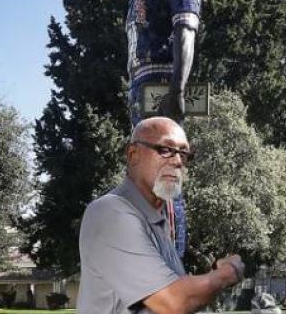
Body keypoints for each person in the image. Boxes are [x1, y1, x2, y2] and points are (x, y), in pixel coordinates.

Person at [76, 0, 202, 257]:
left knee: (164, 172)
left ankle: (170, 262)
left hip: (165, 80)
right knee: (142, 176)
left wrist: (178, 91)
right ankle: (151, 262)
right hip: (140, 84)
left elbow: (186, 27)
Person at [76, 117, 244, 314]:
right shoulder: (111, 213)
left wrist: (214, 272)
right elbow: (174, 301)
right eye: (165, 149)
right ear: (133, 154)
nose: (178, 161)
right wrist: (228, 273)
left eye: (184, 153)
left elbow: (178, 292)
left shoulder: (157, 220)